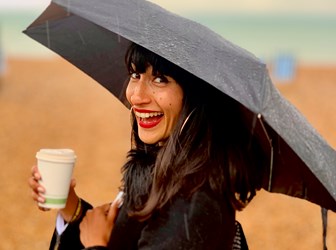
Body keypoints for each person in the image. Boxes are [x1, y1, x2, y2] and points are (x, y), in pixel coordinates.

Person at [29, 43, 265, 249]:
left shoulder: (194, 201)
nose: (136, 96)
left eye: (160, 79)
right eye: (135, 75)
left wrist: (96, 245)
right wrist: (71, 207)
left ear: (196, 96)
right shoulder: (164, 171)